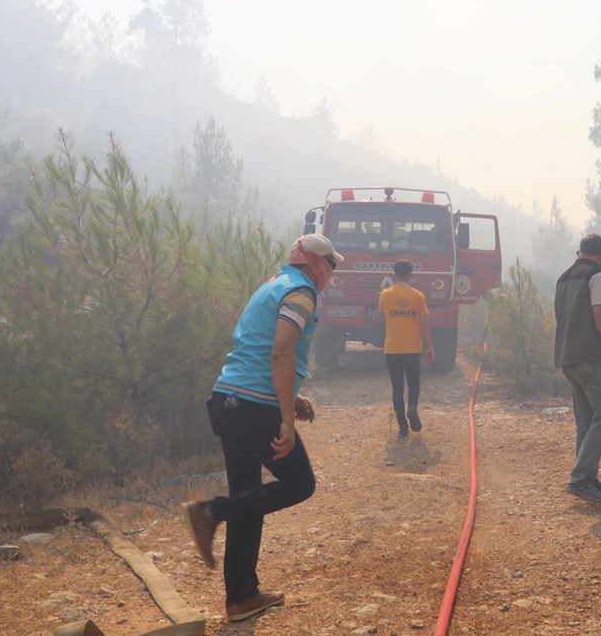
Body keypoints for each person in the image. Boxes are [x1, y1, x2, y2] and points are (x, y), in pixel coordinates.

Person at [181, 234, 344, 622]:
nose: (332, 272)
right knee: (300, 483)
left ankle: (241, 596)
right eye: (330, 264)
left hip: (228, 400)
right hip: (253, 406)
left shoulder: (272, 285)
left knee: (249, 496)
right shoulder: (302, 292)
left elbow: (258, 350)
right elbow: (280, 351)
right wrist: (285, 419)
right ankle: (210, 511)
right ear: (314, 263)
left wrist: (290, 400)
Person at [553, 233, 601, 503]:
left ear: (578, 253)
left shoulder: (564, 278)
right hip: (593, 357)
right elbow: (600, 312)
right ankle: (581, 477)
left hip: (567, 356)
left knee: (586, 420)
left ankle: (587, 476)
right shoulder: (599, 276)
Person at [378, 259, 435, 437]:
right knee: (414, 384)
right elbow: (424, 324)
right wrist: (430, 347)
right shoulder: (418, 296)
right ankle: (412, 408)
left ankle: (402, 427)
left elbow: (384, 319)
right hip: (413, 348)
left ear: (394, 275)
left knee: (397, 388)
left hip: (392, 348)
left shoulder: (385, 295)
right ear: (410, 274)